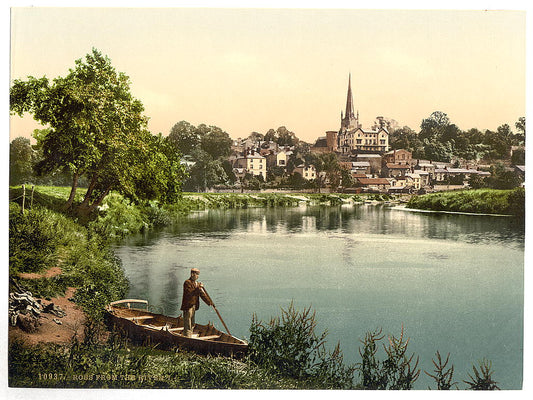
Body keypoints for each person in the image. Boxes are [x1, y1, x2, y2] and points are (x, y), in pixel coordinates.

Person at [180, 268, 212, 337]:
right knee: (188, 324)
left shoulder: (196, 284)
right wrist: (198, 288)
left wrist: (209, 302)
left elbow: (202, 294)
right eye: (197, 274)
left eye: (198, 274)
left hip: (193, 306)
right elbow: (189, 293)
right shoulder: (187, 282)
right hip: (188, 306)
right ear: (192, 274)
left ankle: (189, 336)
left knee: (192, 323)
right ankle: (186, 337)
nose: (198, 276)